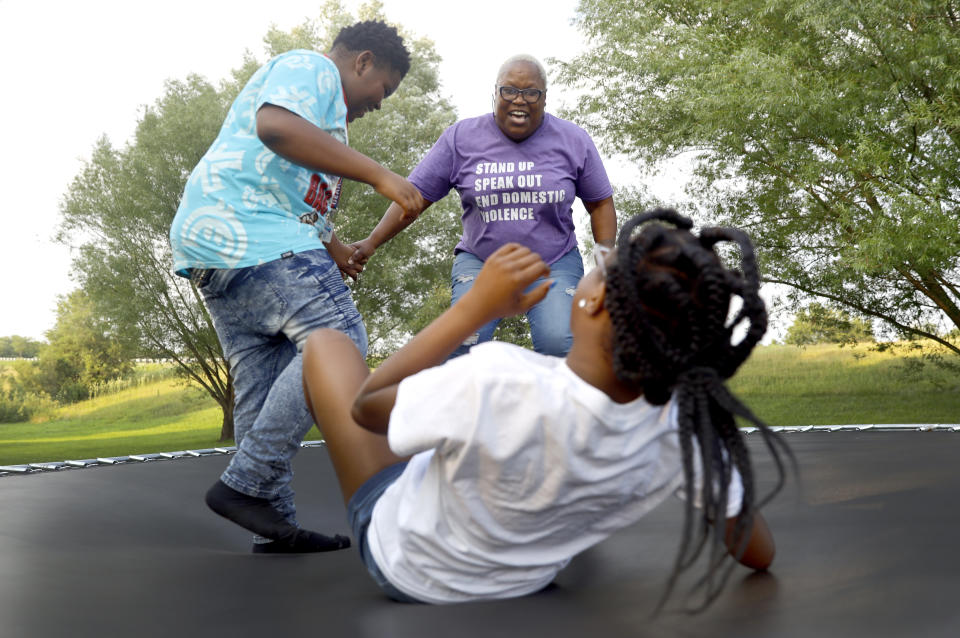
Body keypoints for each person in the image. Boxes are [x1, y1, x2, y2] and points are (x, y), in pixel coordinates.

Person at [302, 208, 793, 608]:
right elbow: (759, 550)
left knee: (326, 346)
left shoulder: (498, 376)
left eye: (600, 262)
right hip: (527, 579)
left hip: (409, 567)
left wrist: (472, 310)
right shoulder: (681, 430)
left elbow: (368, 409)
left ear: (595, 298)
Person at [168, 20, 421, 553]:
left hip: (217, 248)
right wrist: (379, 175)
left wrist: (338, 248)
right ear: (363, 62)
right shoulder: (313, 68)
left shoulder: (328, 128)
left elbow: (294, 200)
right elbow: (276, 127)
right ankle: (246, 481)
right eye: (385, 89)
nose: (380, 103)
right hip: (247, 232)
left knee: (259, 379)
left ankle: (272, 517)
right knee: (340, 340)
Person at [345, 54, 618, 358]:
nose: (520, 100)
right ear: (495, 92)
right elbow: (414, 198)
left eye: (531, 93)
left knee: (560, 343)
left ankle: (561, 405)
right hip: (480, 260)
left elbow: (600, 203)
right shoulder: (461, 138)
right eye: (510, 90)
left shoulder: (573, 140)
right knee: (463, 344)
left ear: (544, 98)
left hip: (553, 261)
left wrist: (605, 260)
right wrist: (371, 242)